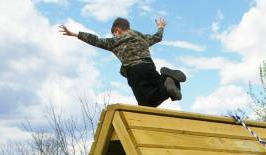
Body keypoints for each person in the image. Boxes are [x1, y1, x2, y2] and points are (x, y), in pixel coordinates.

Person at [59, 17, 187, 107]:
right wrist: (160, 27)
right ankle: (168, 79)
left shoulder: (114, 42)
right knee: (164, 89)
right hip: (149, 67)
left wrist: (75, 34)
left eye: (114, 33)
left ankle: (167, 80)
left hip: (134, 71)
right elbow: (157, 37)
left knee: (147, 104)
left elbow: (96, 40)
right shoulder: (142, 37)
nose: (114, 36)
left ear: (118, 30)